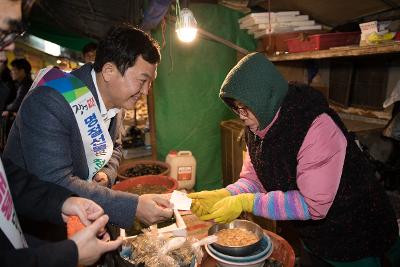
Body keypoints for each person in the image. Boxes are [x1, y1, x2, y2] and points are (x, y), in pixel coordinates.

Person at [189, 53, 400, 266]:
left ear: (266, 98)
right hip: (313, 236)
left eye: (245, 108)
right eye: (236, 108)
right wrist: (227, 194)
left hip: (356, 236)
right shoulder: (256, 125)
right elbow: (255, 178)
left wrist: (247, 202)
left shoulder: (314, 127)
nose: (241, 115)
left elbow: (313, 205)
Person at [4, 23, 173, 230]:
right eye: (142, 80)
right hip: (41, 232)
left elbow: (116, 147)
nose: (146, 91)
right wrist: (133, 206)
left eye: (151, 82)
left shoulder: (116, 100)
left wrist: (106, 174)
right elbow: (54, 184)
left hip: (85, 218)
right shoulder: (50, 101)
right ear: (109, 71)